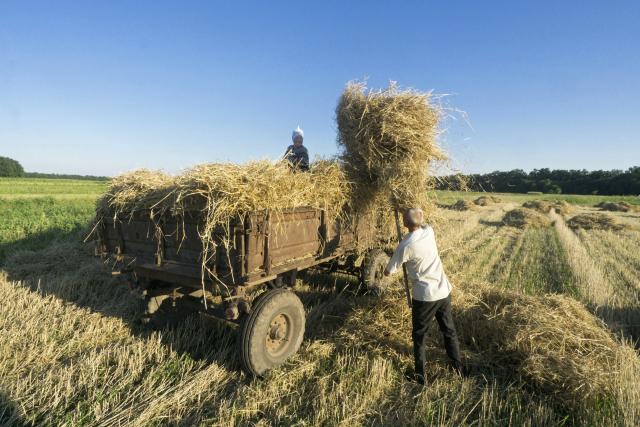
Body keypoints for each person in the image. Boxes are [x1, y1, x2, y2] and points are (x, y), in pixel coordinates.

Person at [384, 208, 464, 384]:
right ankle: (457, 368)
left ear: (405, 223)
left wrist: (398, 258)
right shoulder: (429, 232)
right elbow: (421, 221)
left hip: (425, 297)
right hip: (443, 291)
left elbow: (388, 271)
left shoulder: (405, 246)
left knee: (419, 336)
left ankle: (420, 376)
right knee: (449, 331)